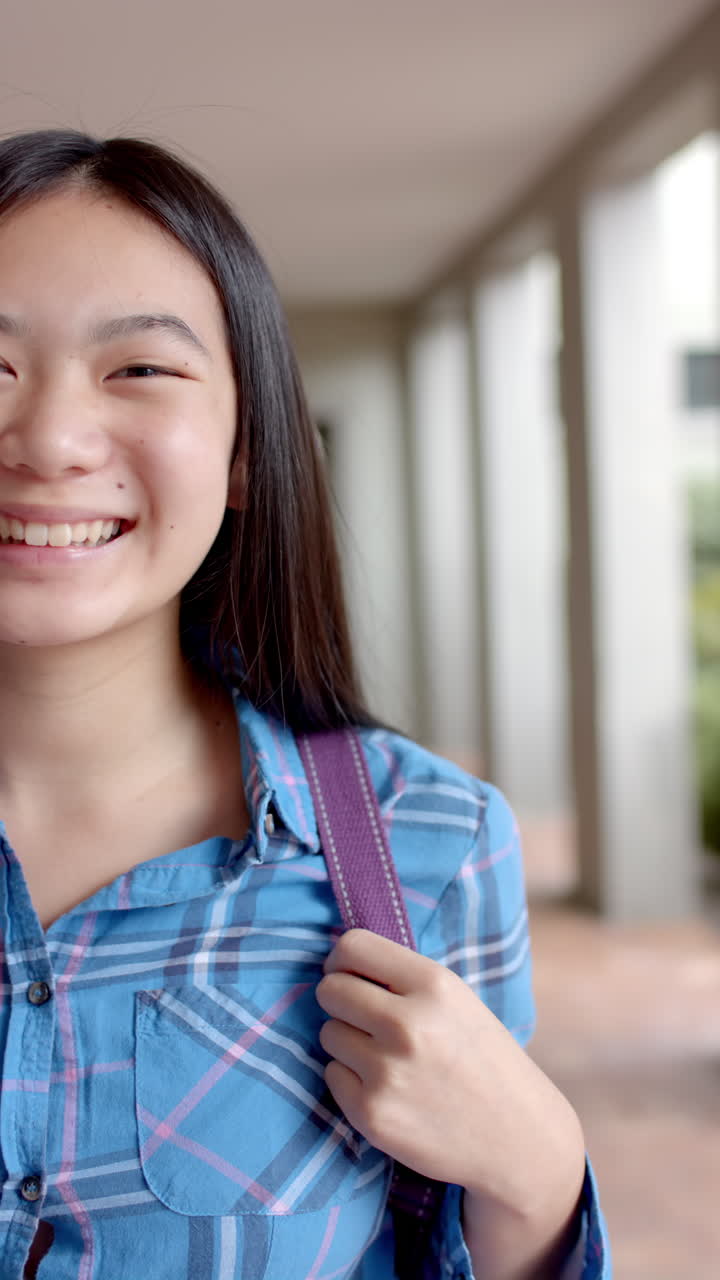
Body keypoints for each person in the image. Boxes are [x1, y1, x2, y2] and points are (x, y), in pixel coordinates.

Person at [0, 129, 610, 1280]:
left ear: (243, 451)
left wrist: (538, 1166)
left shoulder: (429, 844)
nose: (50, 440)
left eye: (138, 368)